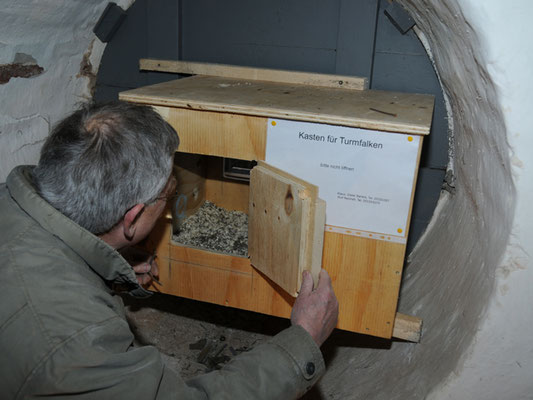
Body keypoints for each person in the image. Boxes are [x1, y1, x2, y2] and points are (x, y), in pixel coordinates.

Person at [0, 101, 339, 399]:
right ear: (132, 219)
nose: (170, 203)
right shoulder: (80, 345)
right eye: (167, 193)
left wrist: (103, 261)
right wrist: (301, 342)